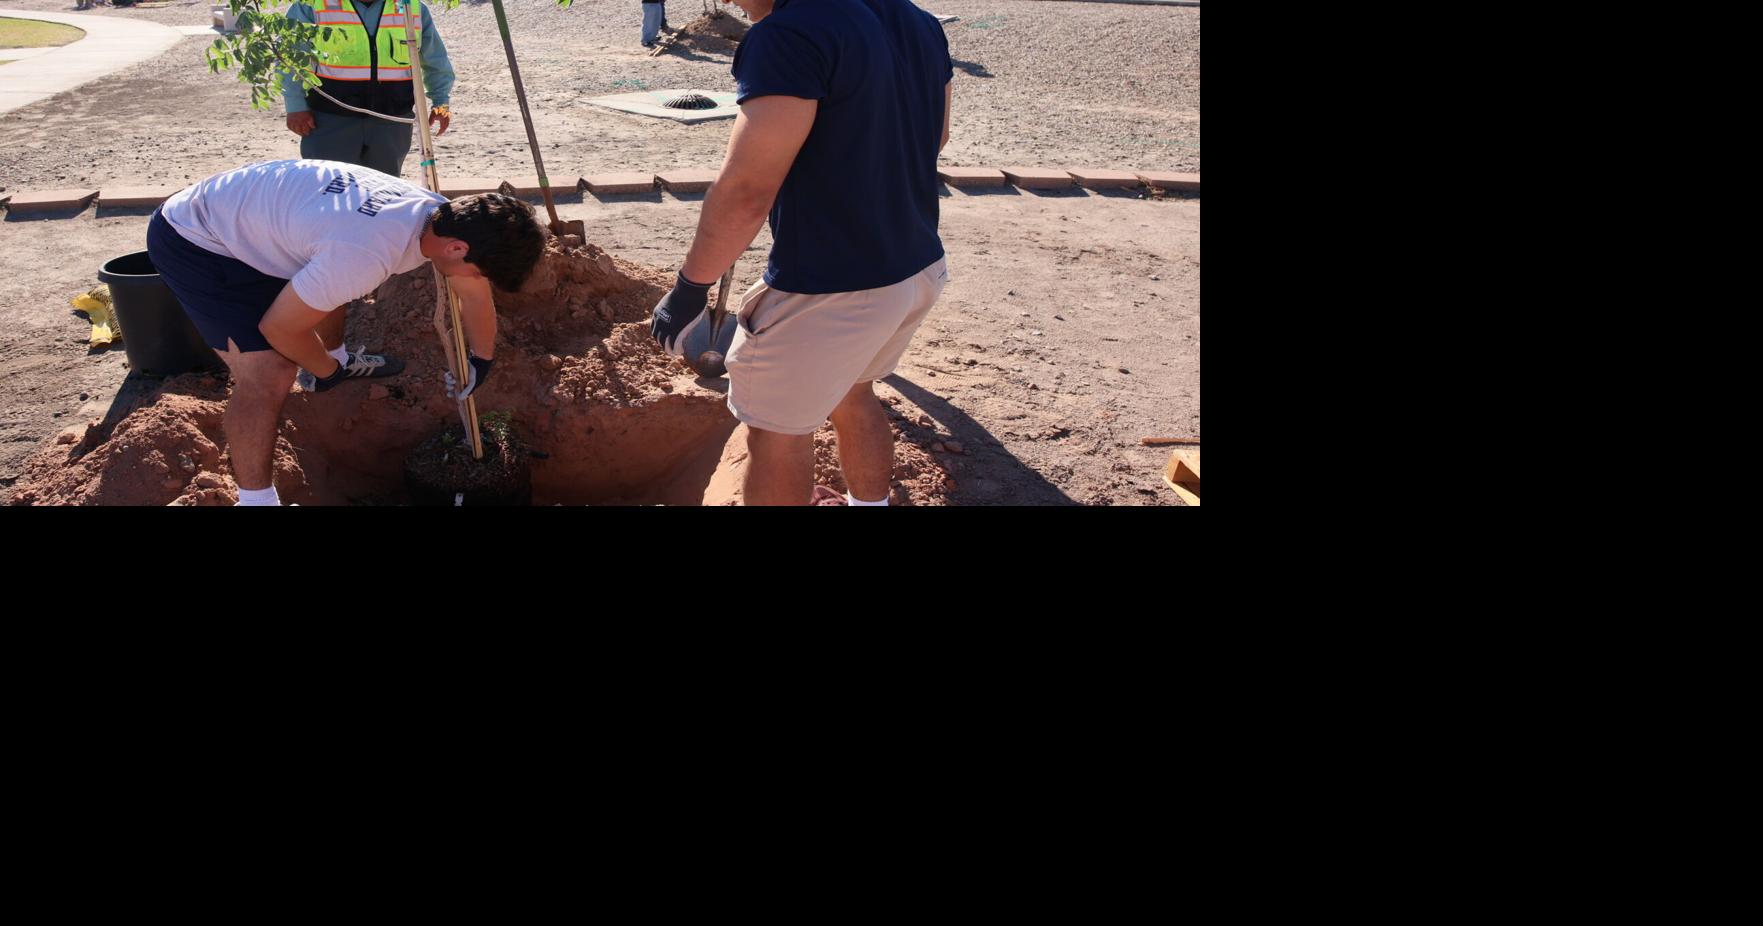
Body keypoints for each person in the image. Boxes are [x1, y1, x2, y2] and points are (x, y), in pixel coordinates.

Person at [649, 0, 954, 506]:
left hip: (830, 287)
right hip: (916, 264)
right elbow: (934, 136)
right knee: (854, 393)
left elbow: (747, 189)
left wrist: (690, 288)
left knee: (773, 432)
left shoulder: (788, 34)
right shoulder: (915, 20)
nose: (722, 1)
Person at [146, 159, 545, 507]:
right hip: (197, 237)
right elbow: (279, 328)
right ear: (456, 249)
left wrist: (482, 359)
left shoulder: (444, 218)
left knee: (330, 286)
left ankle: (336, 359)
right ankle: (256, 500)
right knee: (271, 372)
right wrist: (321, 369)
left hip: (260, 217)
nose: (476, 281)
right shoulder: (366, 253)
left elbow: (473, 297)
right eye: (479, 271)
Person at [281, 0, 456, 177]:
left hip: (391, 123)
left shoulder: (412, 8)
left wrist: (441, 102)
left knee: (383, 195)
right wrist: (295, 106)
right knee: (328, 190)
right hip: (329, 121)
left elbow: (435, 60)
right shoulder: (311, 6)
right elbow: (289, 59)